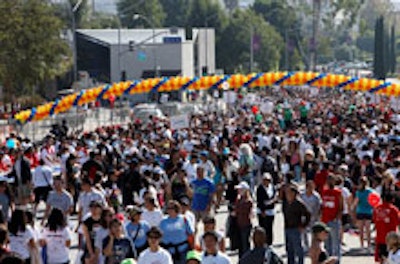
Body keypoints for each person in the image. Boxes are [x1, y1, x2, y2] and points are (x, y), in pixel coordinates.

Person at [282, 183, 311, 264]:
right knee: (289, 249)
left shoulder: (299, 203)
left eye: (289, 192)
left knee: (298, 248)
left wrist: (303, 225)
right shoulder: (285, 203)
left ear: (293, 193)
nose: (287, 194)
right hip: (287, 228)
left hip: (295, 229)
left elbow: (307, 214)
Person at [320, 174, 343, 260]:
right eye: (328, 179)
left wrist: (337, 217)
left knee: (335, 243)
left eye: (332, 179)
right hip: (325, 220)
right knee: (327, 243)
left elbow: (341, 206)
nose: (330, 181)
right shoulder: (324, 191)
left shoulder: (338, 192)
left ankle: (337, 261)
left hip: (334, 220)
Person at [373, 192, 400, 263]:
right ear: (393, 199)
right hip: (391, 240)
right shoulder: (394, 210)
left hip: (380, 238)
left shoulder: (377, 209)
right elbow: (398, 223)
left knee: (381, 259)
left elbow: (374, 221)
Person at [352, 176, 373, 249]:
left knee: (361, 229)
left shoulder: (358, 192)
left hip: (360, 211)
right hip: (368, 211)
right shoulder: (370, 191)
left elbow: (355, 203)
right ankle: (369, 245)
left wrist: (352, 210)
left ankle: (362, 245)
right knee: (368, 229)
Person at [256, 172, 278, 245]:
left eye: (268, 180)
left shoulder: (272, 188)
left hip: (271, 211)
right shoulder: (260, 188)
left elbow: (274, 197)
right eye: (265, 180)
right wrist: (263, 211)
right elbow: (259, 201)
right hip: (263, 211)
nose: (266, 181)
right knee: (263, 227)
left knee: (269, 227)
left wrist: (273, 201)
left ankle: (269, 242)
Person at [301, 180, 322, 251]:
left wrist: (319, 216)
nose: (311, 188)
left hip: (314, 216)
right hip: (304, 216)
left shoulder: (316, 196)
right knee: (304, 232)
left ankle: (314, 245)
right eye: (309, 187)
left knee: (314, 232)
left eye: (312, 187)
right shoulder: (302, 195)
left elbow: (320, 206)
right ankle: (306, 246)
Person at [233, 181, 253, 258]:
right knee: (240, 245)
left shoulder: (248, 201)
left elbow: (242, 211)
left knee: (245, 244)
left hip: (246, 225)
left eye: (240, 189)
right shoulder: (238, 199)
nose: (239, 191)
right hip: (238, 224)